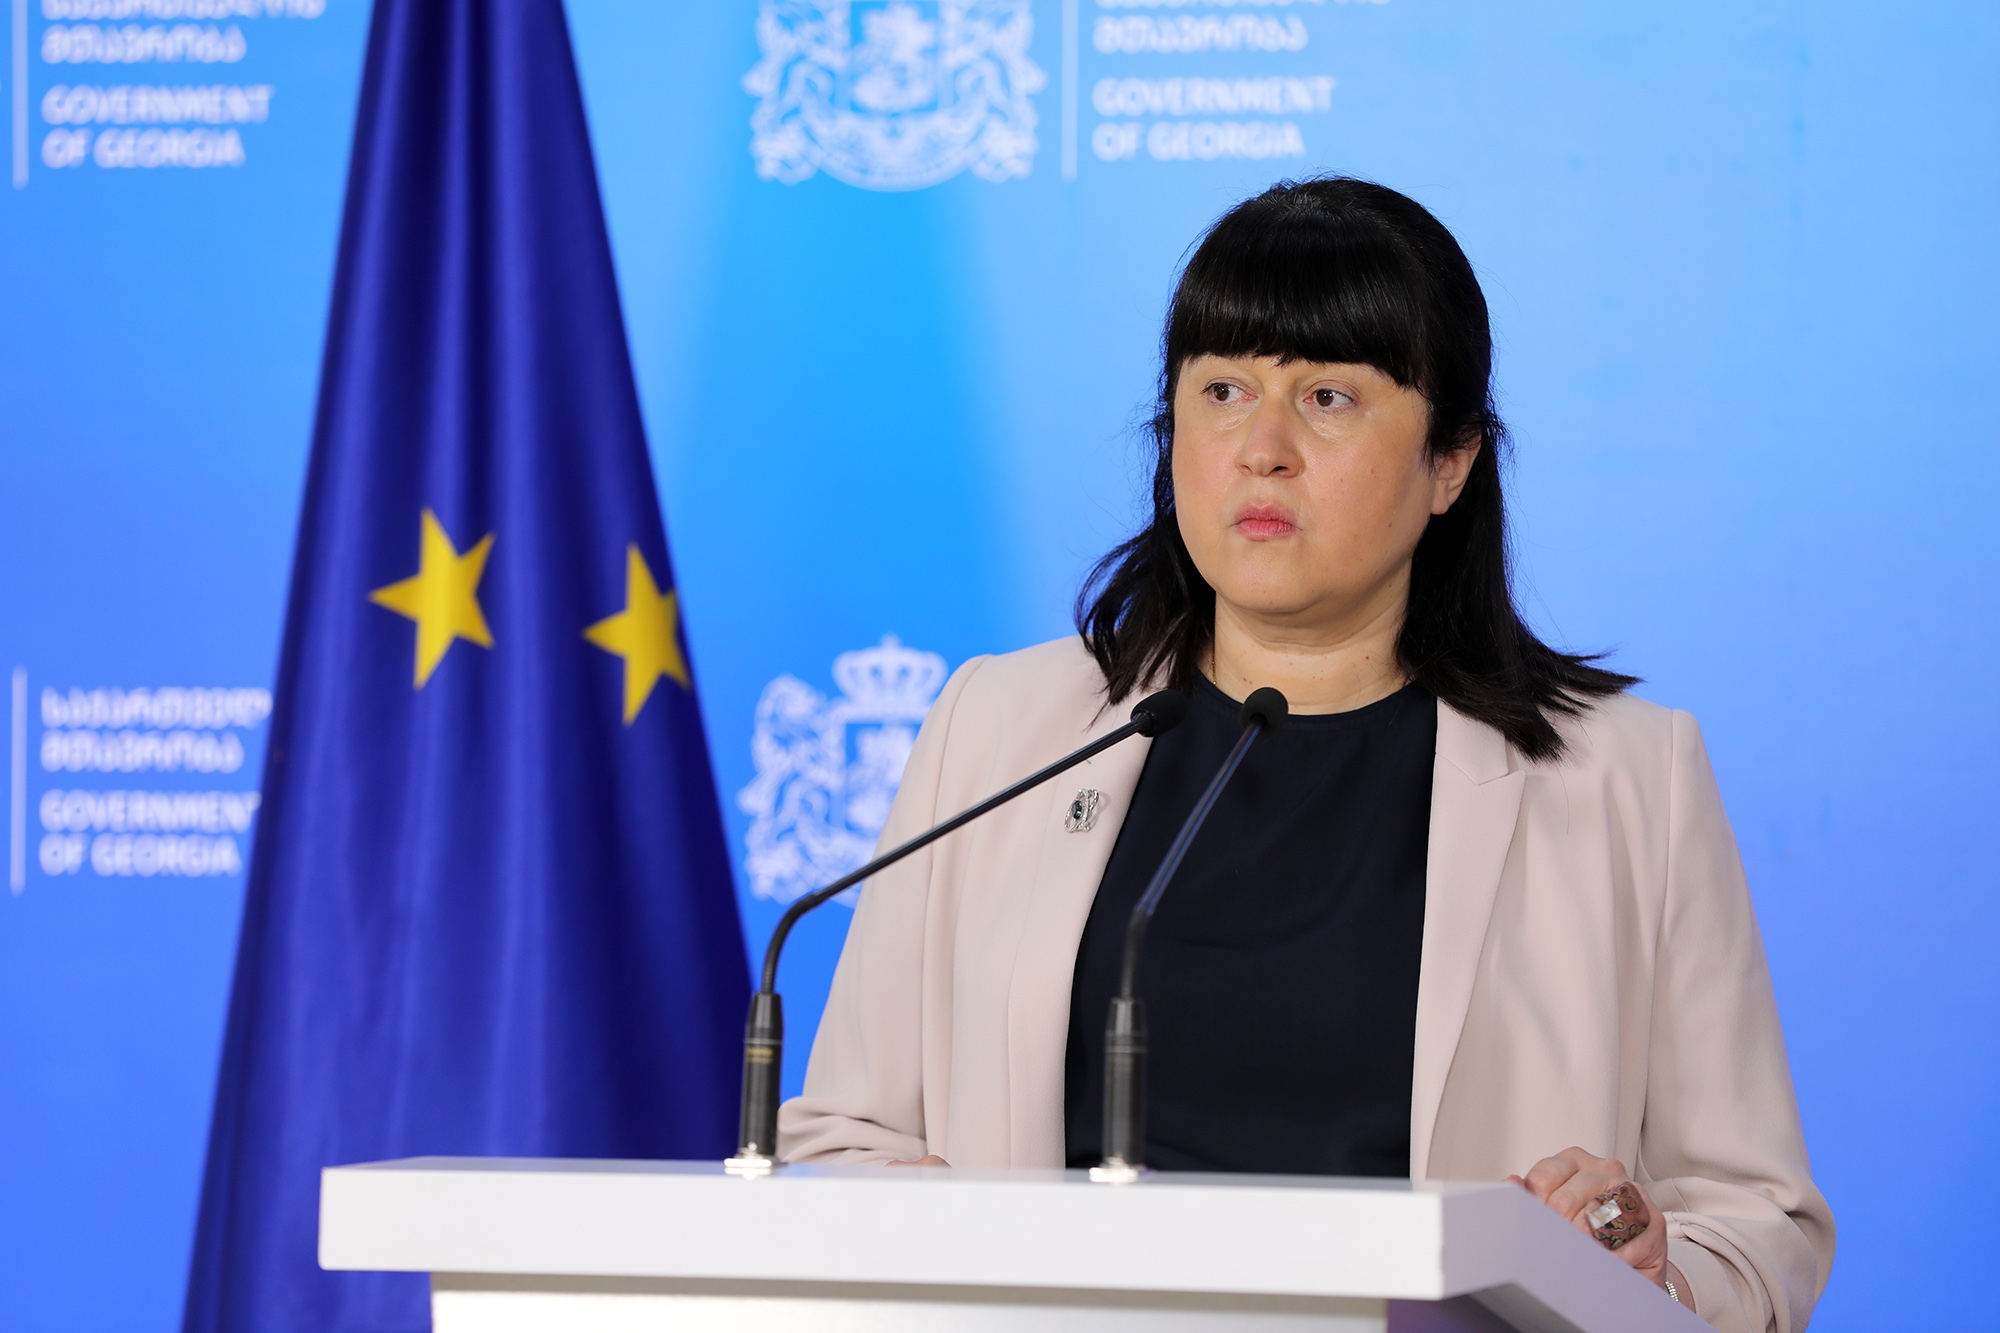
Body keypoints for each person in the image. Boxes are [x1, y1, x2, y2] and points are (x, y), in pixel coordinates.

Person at [778, 178, 1833, 1333]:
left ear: (1450, 460)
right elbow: (841, 1139)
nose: (1261, 449)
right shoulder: (996, 729)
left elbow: (1757, 1220)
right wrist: (916, 1230)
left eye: (1327, 396)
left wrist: (1645, 1270)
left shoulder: (1626, 779)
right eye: (1221, 391)